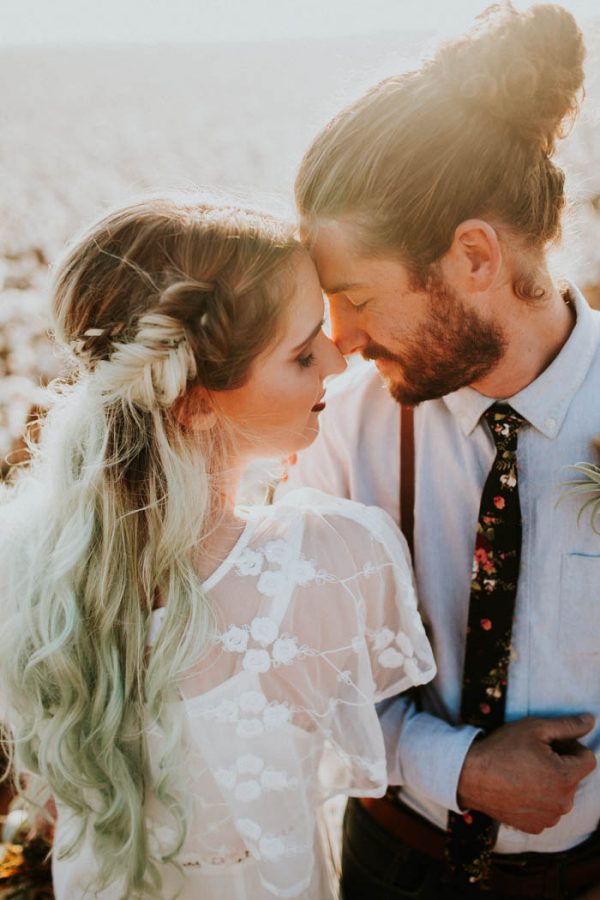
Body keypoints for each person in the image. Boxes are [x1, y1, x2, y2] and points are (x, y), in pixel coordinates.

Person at [0, 195, 436, 900]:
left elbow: (48, 802)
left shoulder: (17, 560)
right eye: (300, 354)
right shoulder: (331, 561)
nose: (336, 358)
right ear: (193, 402)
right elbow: (380, 734)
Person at [279, 3, 600, 898]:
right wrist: (457, 766)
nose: (339, 340)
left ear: (474, 256)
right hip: (395, 863)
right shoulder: (346, 423)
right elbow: (307, 676)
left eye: (358, 298)